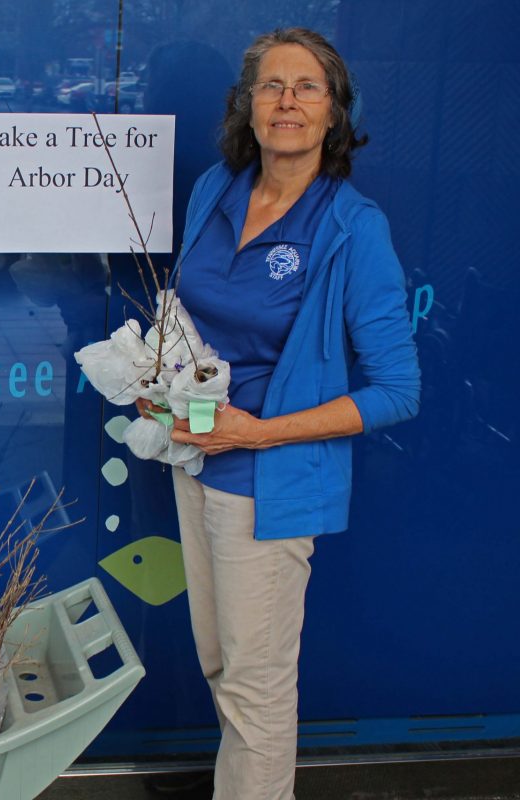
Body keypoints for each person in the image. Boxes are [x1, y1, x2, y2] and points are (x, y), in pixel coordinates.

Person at [135, 28, 420, 800]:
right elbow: (192, 320)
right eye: (271, 86)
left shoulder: (352, 229)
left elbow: (398, 389)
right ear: (248, 106)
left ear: (334, 114)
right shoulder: (215, 191)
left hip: (269, 482)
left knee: (256, 689)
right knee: (225, 668)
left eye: (307, 88)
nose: (287, 101)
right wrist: (153, 378)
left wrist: (257, 433)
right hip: (194, 462)